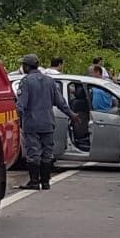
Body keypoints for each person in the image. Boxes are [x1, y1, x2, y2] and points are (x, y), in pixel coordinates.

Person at [16, 53, 76, 190]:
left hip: (32, 123)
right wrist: (72, 114)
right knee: (47, 152)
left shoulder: (26, 81)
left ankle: (34, 181)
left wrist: (17, 119)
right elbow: (60, 102)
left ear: (26, 66)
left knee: (33, 153)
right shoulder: (50, 81)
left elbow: (21, 105)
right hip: (48, 122)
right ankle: (45, 182)